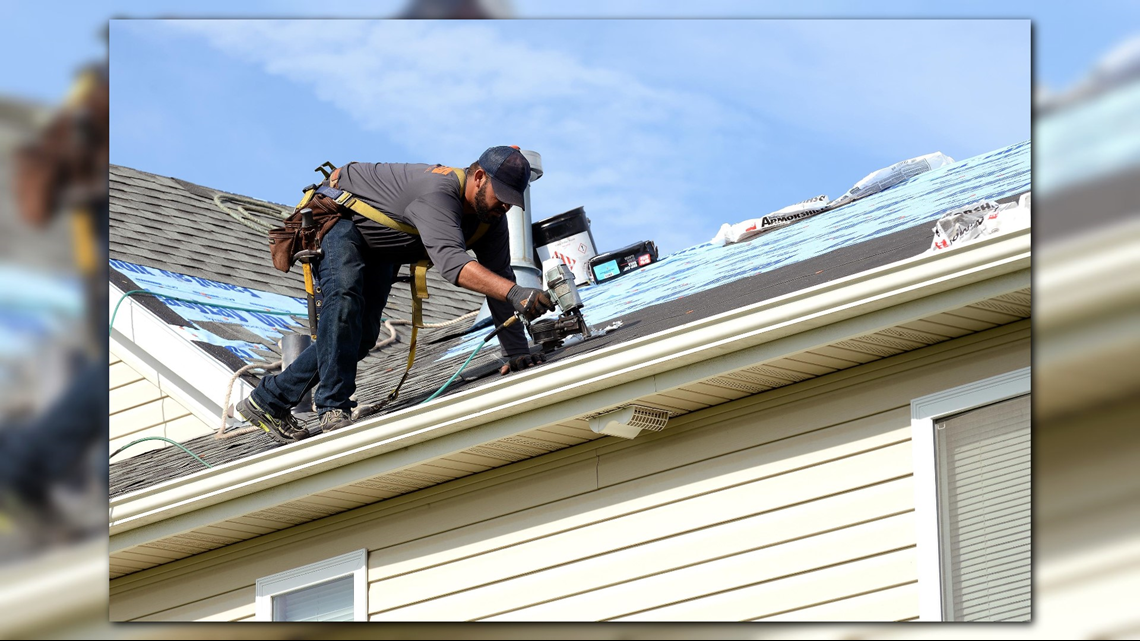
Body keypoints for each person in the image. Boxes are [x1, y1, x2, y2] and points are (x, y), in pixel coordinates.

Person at [237, 146, 554, 442]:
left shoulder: (489, 223)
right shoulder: (439, 192)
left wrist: (516, 352)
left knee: (360, 337)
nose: (506, 206)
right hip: (344, 221)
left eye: (513, 201)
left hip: (382, 246)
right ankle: (333, 407)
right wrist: (518, 294)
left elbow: (498, 282)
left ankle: (268, 400)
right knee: (344, 301)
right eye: (502, 196)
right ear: (480, 177)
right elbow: (454, 265)